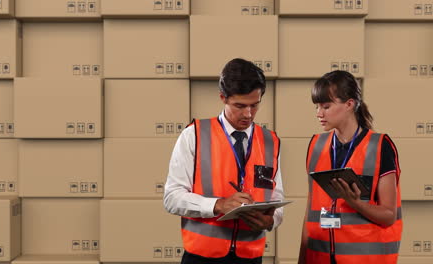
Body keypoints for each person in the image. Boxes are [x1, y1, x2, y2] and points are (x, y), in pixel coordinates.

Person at [164, 58, 284, 264]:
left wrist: (271, 220)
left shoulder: (269, 141)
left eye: (255, 105)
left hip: (251, 258)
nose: (248, 114)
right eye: (240, 105)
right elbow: (172, 198)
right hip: (201, 258)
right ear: (223, 98)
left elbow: (276, 197)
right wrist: (217, 205)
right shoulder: (194, 135)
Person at [298, 70, 402, 264]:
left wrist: (355, 203)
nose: (319, 113)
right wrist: (302, 259)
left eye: (326, 106)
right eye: (317, 107)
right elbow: (310, 211)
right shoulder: (316, 145)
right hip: (318, 257)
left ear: (349, 104)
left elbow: (389, 216)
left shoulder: (380, 146)